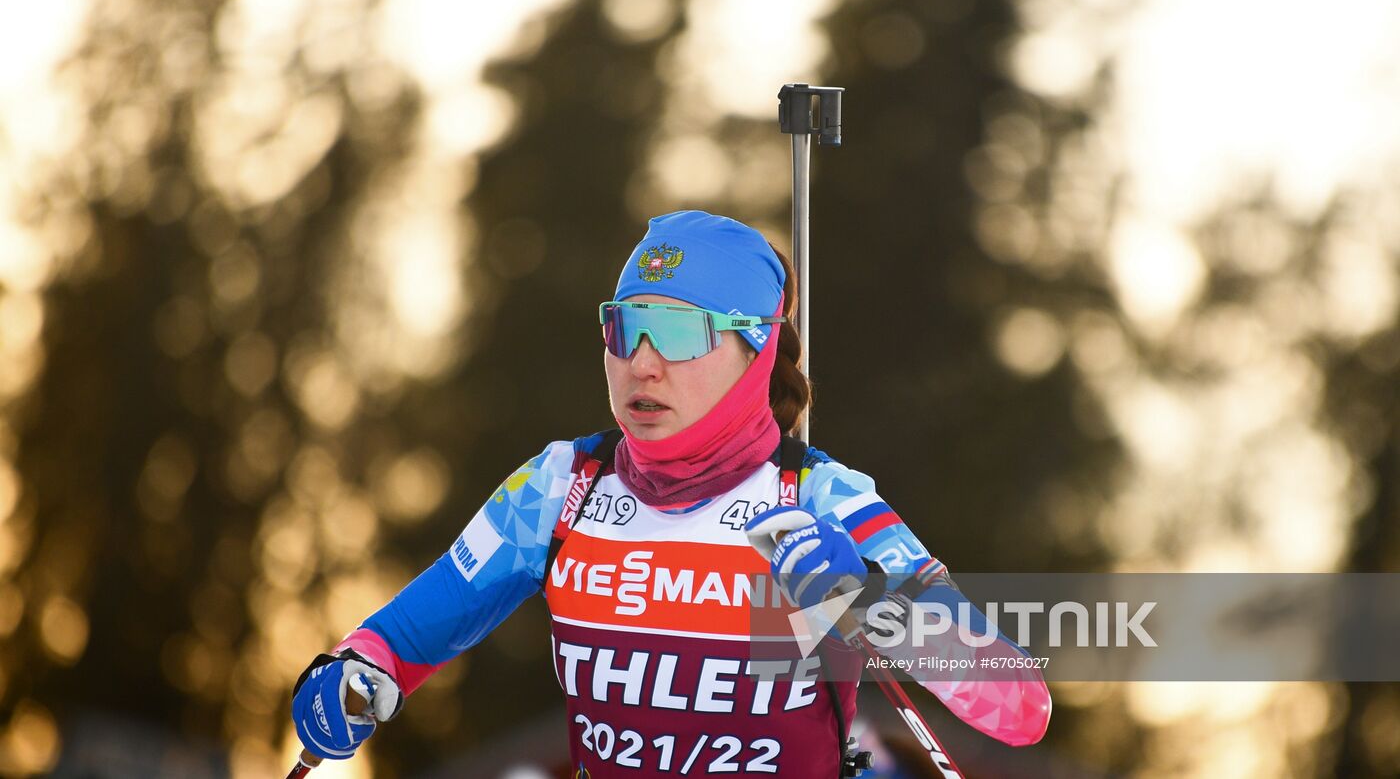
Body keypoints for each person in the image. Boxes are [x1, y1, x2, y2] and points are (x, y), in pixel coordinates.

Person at [290, 211, 1051, 776]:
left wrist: (874, 602)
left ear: (756, 351)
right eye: (626, 329)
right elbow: (402, 638)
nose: (643, 364)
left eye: (680, 333)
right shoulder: (561, 487)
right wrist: (355, 673)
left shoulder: (820, 498)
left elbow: (1020, 707)